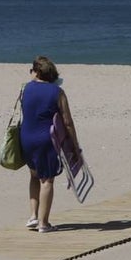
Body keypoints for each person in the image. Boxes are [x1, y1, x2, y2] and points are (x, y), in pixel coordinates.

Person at [20, 56, 80, 233]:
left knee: (34, 175)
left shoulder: (26, 89)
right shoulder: (57, 92)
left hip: (26, 137)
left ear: (37, 71)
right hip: (45, 139)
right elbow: (67, 121)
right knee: (47, 180)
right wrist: (74, 145)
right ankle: (43, 223)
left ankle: (33, 216)